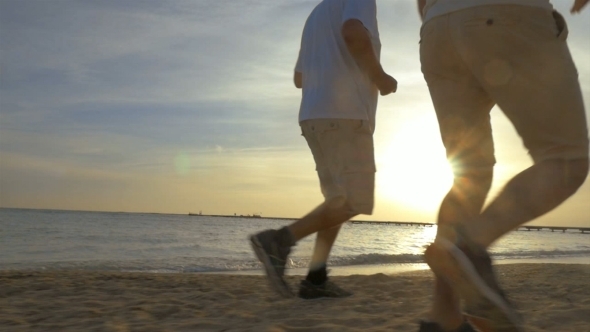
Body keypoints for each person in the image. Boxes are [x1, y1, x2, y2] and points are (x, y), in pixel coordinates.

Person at [416, 0, 589, 331]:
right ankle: (469, 248)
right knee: (566, 160)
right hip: (508, 15)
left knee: (470, 175)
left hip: (437, 31)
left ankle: (443, 316)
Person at [250, 0, 397, 299]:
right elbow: (353, 33)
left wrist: (328, 71)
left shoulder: (316, 14)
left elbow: (298, 78)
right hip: (343, 115)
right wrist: (380, 78)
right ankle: (279, 240)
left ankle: (316, 278)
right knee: (354, 200)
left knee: (336, 202)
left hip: (313, 117)